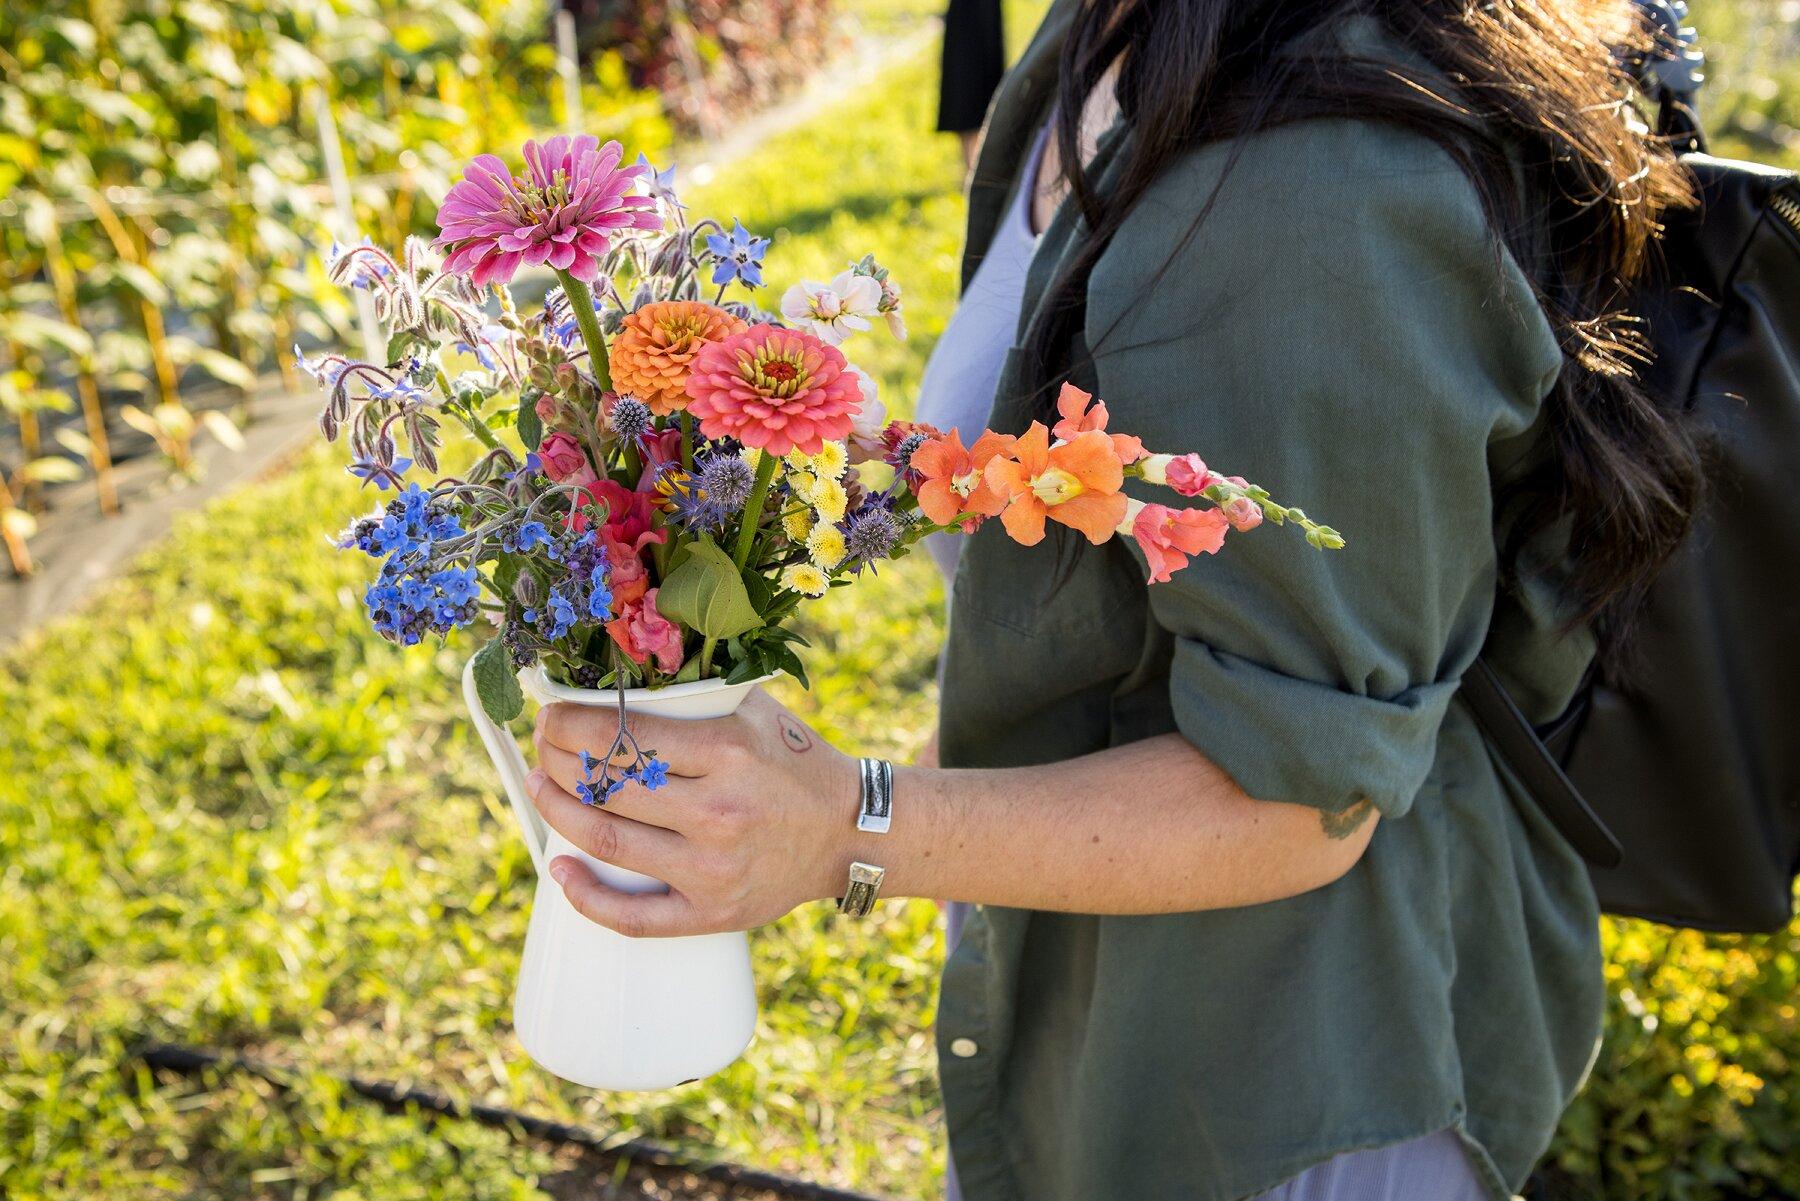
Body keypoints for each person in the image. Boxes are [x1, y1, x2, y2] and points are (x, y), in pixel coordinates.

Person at [522, 1, 1701, 1197]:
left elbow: (1299, 800)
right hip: (1109, 993)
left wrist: (847, 824)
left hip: (1289, 1076)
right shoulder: (1108, 37)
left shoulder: (1304, 188)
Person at [938, 0, 1007, 172]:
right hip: (965, 17)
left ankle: (978, 167)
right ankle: (971, 167)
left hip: (984, 18)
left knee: (983, 91)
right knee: (962, 87)